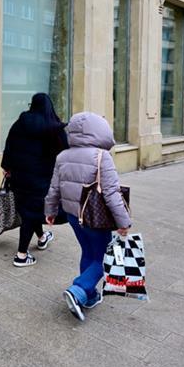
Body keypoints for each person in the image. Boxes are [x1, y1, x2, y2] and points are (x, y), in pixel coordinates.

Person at [44, 112, 131, 321]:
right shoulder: (102, 156)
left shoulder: (63, 156)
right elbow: (111, 193)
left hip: (74, 216)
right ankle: (79, 290)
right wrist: (123, 221)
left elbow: (54, 188)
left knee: (88, 252)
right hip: (96, 218)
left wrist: (50, 211)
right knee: (103, 259)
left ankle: (90, 296)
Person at [1, 93, 69, 267]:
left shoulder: (19, 124)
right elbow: (66, 154)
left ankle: (41, 237)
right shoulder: (55, 128)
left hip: (19, 178)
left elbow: (9, 146)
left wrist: (7, 167)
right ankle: (21, 256)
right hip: (43, 180)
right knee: (32, 213)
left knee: (29, 211)